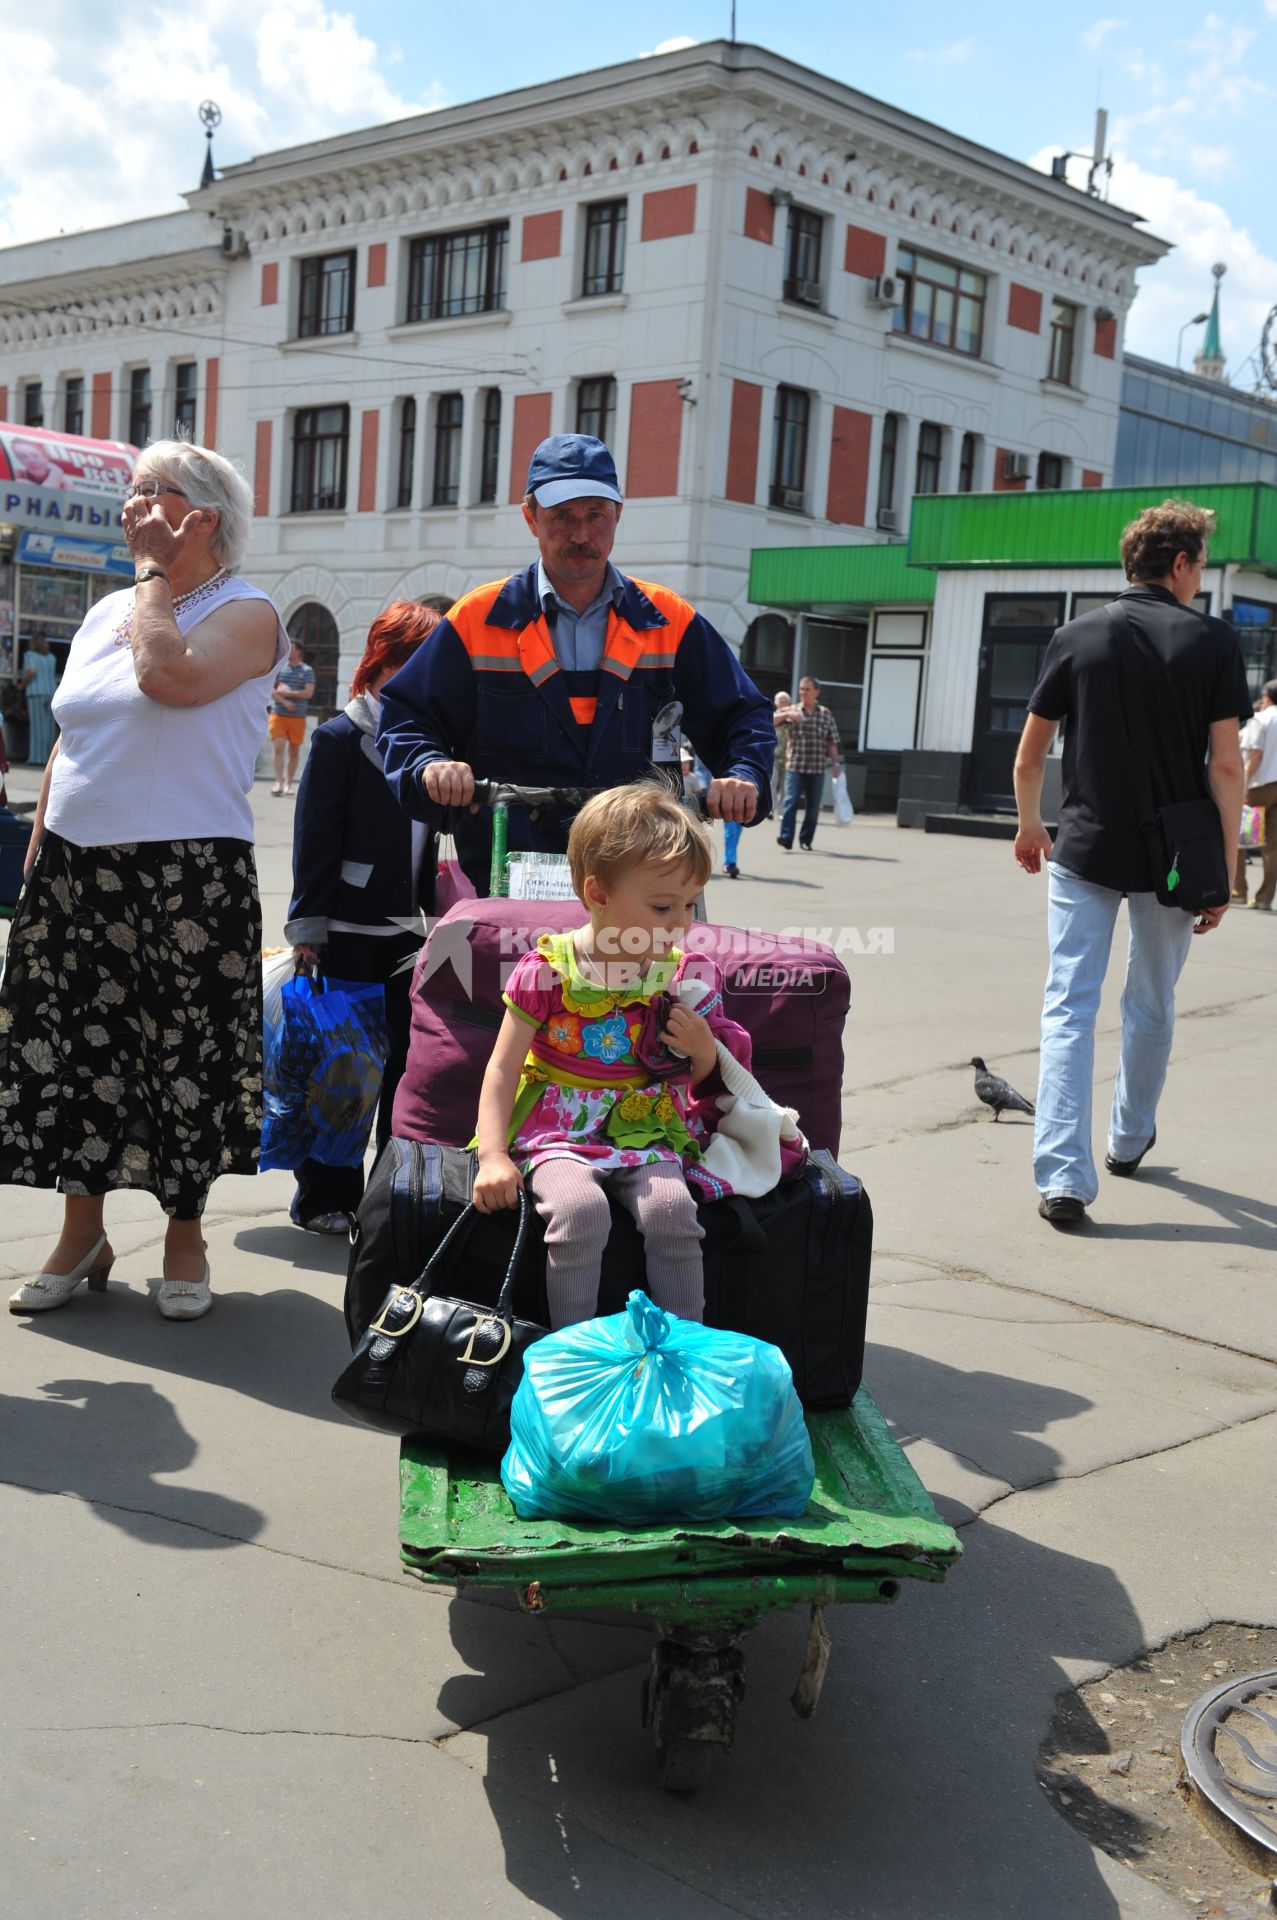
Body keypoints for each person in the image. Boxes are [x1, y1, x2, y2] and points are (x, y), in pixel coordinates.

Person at [1, 439, 290, 1320]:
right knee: (74, 1049)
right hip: (76, 866)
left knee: (185, 1055)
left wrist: (155, 575)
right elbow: (69, 731)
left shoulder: (248, 611)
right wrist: (43, 833)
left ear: (202, 517)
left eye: (150, 493)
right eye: (129, 491)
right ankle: (78, 1229)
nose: (131, 506)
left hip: (185, 871)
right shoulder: (108, 612)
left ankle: (184, 1238)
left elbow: (170, 677)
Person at [378, 434, 774, 889]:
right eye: (562, 517)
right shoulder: (477, 618)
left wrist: (742, 776)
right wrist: (430, 764)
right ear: (531, 518)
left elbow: (743, 716)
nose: (581, 534)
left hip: (640, 877)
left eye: (596, 516)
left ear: (618, 515)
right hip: (513, 880)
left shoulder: (671, 621)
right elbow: (406, 716)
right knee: (518, 965)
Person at [1013, 499, 1251, 1227]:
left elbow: (1029, 754)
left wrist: (1029, 825)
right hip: (1175, 858)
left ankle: (1061, 1176)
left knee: (1067, 1008)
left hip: (1082, 846)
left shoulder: (1076, 635)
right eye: (1199, 565)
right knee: (1149, 1001)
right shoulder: (1211, 642)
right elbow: (1225, 766)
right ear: (1178, 563)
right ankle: (1126, 1138)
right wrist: (1226, 866)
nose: (1199, 578)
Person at [472, 784, 751, 1328]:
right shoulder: (548, 971)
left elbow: (699, 1079)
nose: (681, 922)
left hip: (646, 1123)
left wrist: (700, 1050)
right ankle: (571, 1351)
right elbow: (503, 1068)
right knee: (579, 1213)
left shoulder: (680, 974)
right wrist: (492, 1156)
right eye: (663, 906)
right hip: (558, 1131)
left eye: (690, 904)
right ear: (598, 895)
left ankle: (682, 1353)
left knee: (674, 1213)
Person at [283, 599, 442, 1231]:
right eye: (413, 662)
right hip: (346, 929)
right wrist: (307, 928)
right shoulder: (339, 737)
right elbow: (313, 838)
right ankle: (325, 1197)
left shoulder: (433, 742)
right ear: (381, 662)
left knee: (403, 1067)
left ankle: (383, 1197)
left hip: (411, 933)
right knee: (346, 1072)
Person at [774, 676, 841, 851]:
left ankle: (806, 839)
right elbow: (770, 720)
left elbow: (832, 741)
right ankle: (786, 837)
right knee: (791, 801)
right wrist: (787, 714)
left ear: (816, 692)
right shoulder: (793, 710)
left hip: (817, 768)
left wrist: (836, 764)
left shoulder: (825, 714)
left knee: (813, 807)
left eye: (807, 689)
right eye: (801, 689)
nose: (803, 693)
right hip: (795, 766)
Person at [1233, 679, 1277, 911]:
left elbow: (1255, 755)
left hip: (1259, 785)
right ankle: (1264, 899)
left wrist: (1244, 786)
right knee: (1273, 845)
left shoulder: (1262, 718)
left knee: (1240, 835)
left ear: (1267, 697)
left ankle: (1239, 890)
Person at [269, 639, 315, 796]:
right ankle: (277, 782)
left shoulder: (307, 670)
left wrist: (287, 693)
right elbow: (271, 690)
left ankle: (288, 784)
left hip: (298, 717)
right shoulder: (280, 669)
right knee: (279, 747)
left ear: (299, 651)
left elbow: (308, 693)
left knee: (294, 751)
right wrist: (284, 702)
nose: (288, 652)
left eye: (292, 649)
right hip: (278, 714)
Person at [20, 635, 57, 764]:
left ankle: (36, 758)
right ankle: (48, 758)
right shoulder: (52, 658)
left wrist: (21, 685)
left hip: (36, 693)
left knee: (37, 727)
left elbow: (32, 672)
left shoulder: (29, 655)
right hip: (51, 692)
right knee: (49, 728)